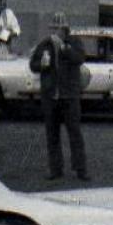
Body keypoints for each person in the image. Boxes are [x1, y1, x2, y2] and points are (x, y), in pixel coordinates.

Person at [29, 12, 89, 181]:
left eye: (59, 28)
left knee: (75, 133)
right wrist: (41, 65)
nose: (56, 31)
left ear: (65, 29)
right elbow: (32, 65)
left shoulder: (74, 42)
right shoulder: (45, 44)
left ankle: (81, 169)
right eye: (54, 28)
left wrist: (63, 48)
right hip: (50, 95)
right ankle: (55, 169)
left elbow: (80, 58)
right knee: (52, 134)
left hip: (69, 95)